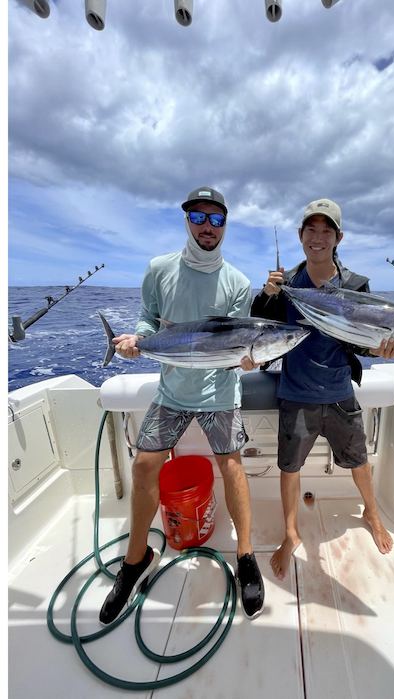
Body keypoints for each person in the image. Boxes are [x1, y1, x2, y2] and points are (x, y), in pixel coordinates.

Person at [99, 186, 264, 622]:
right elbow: (147, 320)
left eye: (217, 220)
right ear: (187, 220)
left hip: (219, 391)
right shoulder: (158, 270)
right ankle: (136, 560)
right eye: (200, 218)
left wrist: (247, 359)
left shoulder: (238, 283)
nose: (208, 227)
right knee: (143, 464)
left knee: (232, 465)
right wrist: (135, 340)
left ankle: (246, 556)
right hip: (172, 390)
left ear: (226, 225)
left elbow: (233, 340)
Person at [251, 198, 394, 580]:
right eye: (311, 230)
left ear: (339, 237)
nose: (318, 238)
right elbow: (260, 328)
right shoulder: (287, 282)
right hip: (296, 392)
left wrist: (380, 348)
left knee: (358, 460)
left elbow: (361, 340)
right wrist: (268, 295)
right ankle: (290, 533)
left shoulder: (355, 286)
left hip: (339, 391)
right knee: (290, 468)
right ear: (300, 236)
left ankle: (371, 512)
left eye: (327, 231)